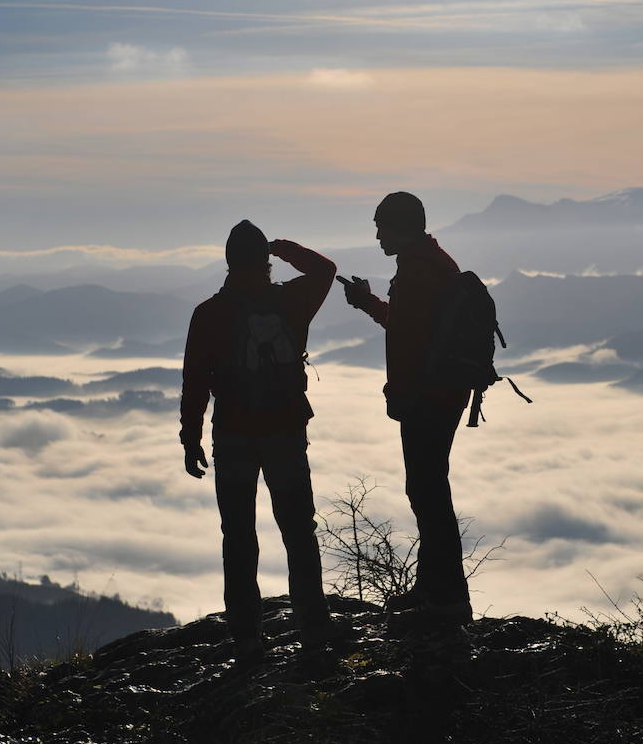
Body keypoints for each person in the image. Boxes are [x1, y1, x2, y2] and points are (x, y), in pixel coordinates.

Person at [179, 220, 336, 663]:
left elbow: (196, 383)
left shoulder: (209, 313)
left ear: (228, 261)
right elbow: (326, 269)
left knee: (238, 536)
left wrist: (190, 437)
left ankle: (248, 637)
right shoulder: (290, 301)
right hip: (286, 429)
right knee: (299, 531)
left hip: (233, 434)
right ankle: (315, 626)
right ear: (265, 260)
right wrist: (283, 246)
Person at [338, 192, 473, 624]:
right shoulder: (431, 263)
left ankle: (446, 596)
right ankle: (434, 587)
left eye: (382, 226)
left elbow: (407, 338)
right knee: (429, 487)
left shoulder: (417, 271)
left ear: (403, 227)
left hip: (428, 395)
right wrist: (368, 302)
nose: (377, 235)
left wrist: (399, 394)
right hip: (445, 391)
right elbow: (408, 324)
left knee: (428, 490)